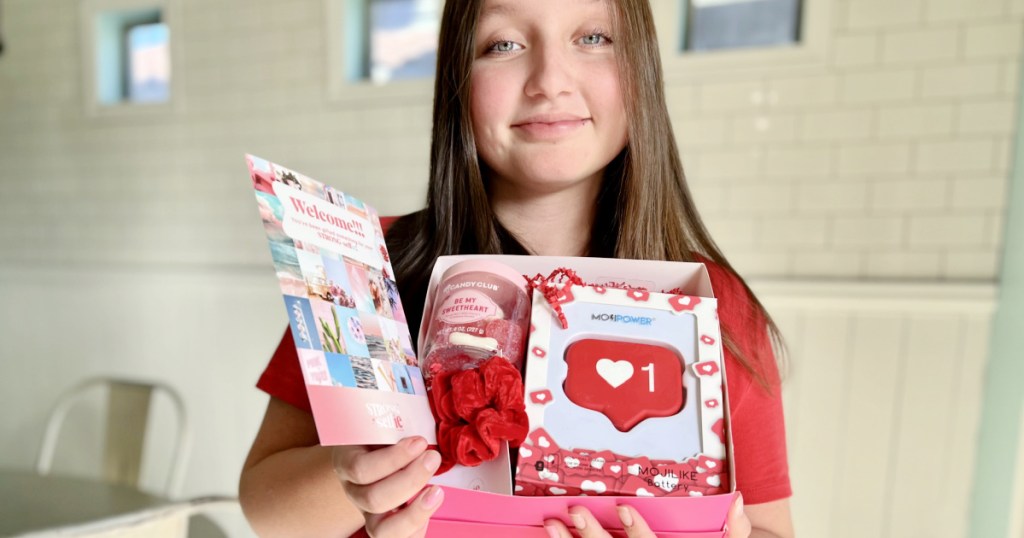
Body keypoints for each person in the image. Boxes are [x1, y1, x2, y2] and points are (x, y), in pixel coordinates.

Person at [239, 0, 794, 536]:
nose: (549, 81)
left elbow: (769, 528)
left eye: (593, 38)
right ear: (458, 77)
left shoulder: (716, 307)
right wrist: (356, 476)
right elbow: (268, 511)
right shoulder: (367, 270)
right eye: (503, 44)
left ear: (643, 69)